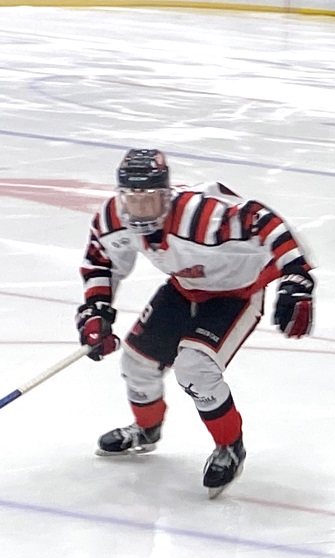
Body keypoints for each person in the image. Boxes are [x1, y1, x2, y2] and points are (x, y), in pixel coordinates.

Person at [75, 149, 316, 498]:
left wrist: (297, 277)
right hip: (184, 287)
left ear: (166, 195)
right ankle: (146, 429)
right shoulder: (113, 217)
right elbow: (100, 260)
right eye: (132, 198)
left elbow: (262, 219)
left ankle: (229, 446)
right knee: (136, 362)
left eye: (150, 198)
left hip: (237, 293)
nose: (140, 208)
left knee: (195, 368)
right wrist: (95, 310)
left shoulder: (201, 216)